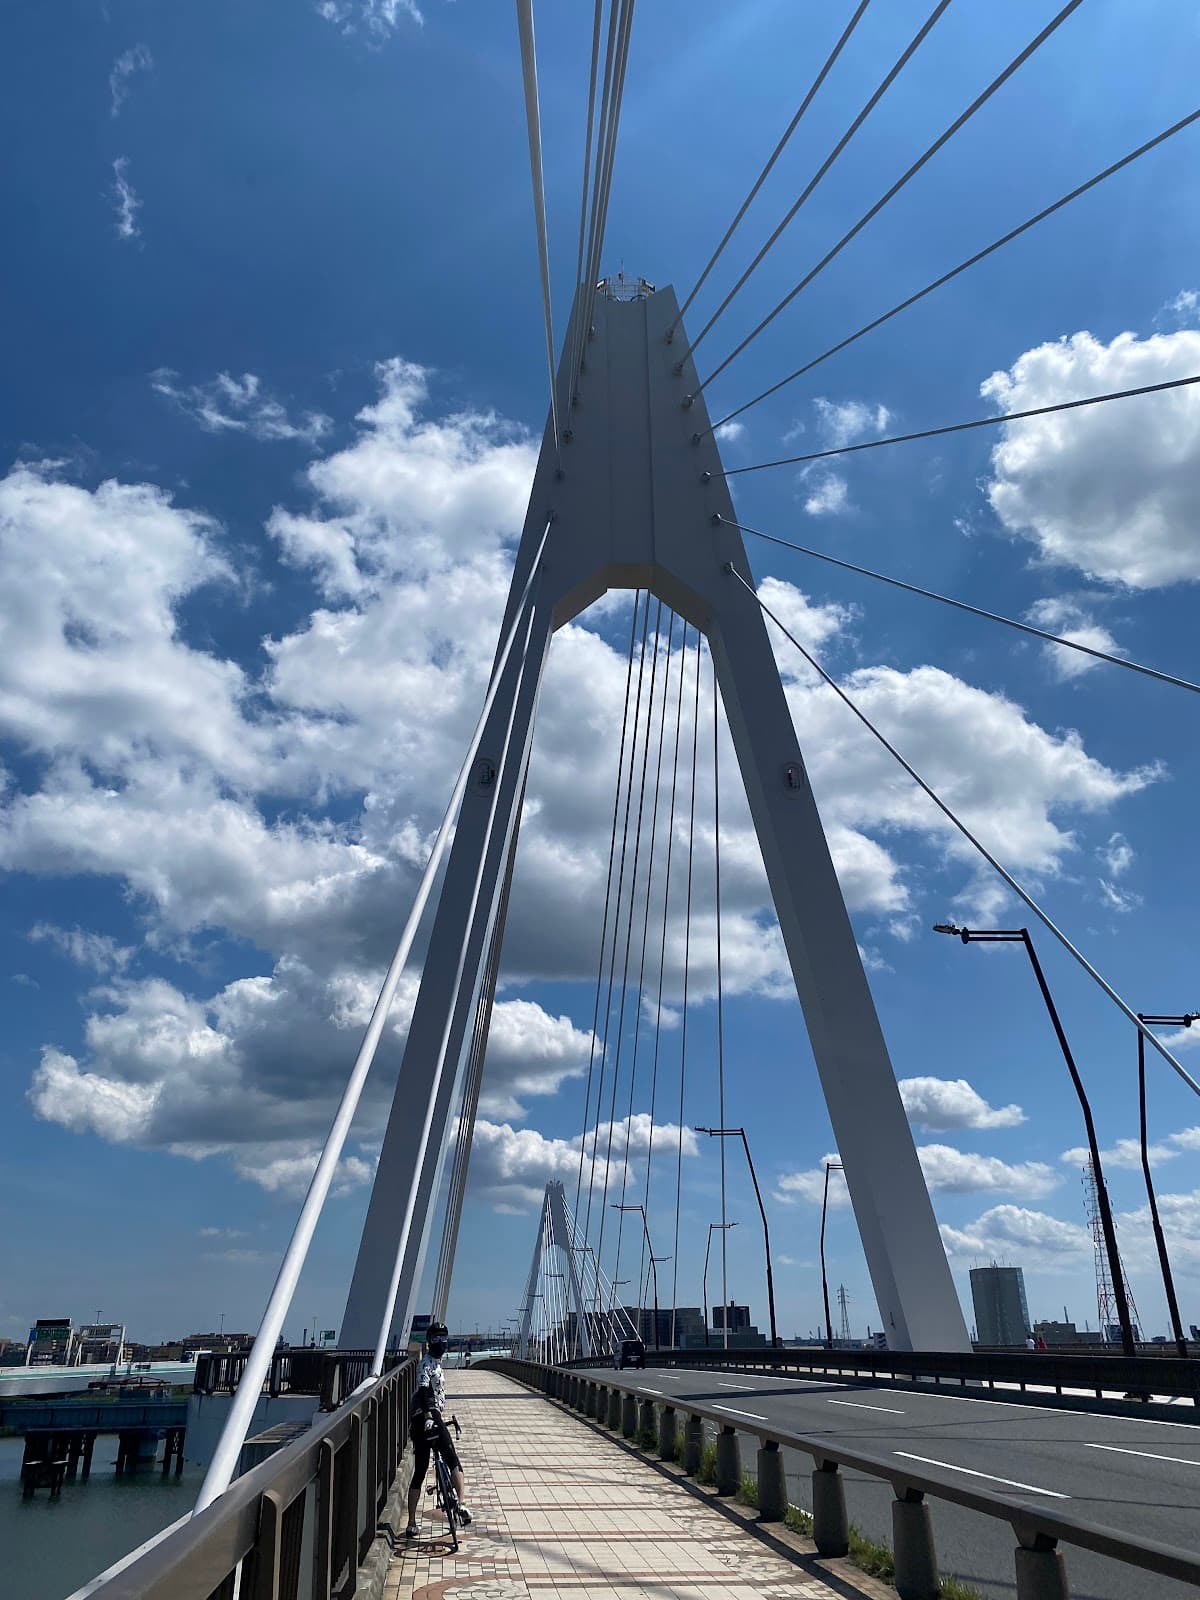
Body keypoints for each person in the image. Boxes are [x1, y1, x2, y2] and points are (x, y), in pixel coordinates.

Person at [406, 1323, 470, 1538]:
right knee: (452, 1460)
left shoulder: (436, 1363)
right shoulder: (426, 1363)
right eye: (436, 1338)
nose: (441, 1342)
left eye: (444, 1337)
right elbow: (424, 1391)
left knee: (421, 1471)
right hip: (429, 1417)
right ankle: (461, 1504)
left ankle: (412, 1522)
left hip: (425, 1419)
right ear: (429, 1341)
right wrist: (428, 1417)